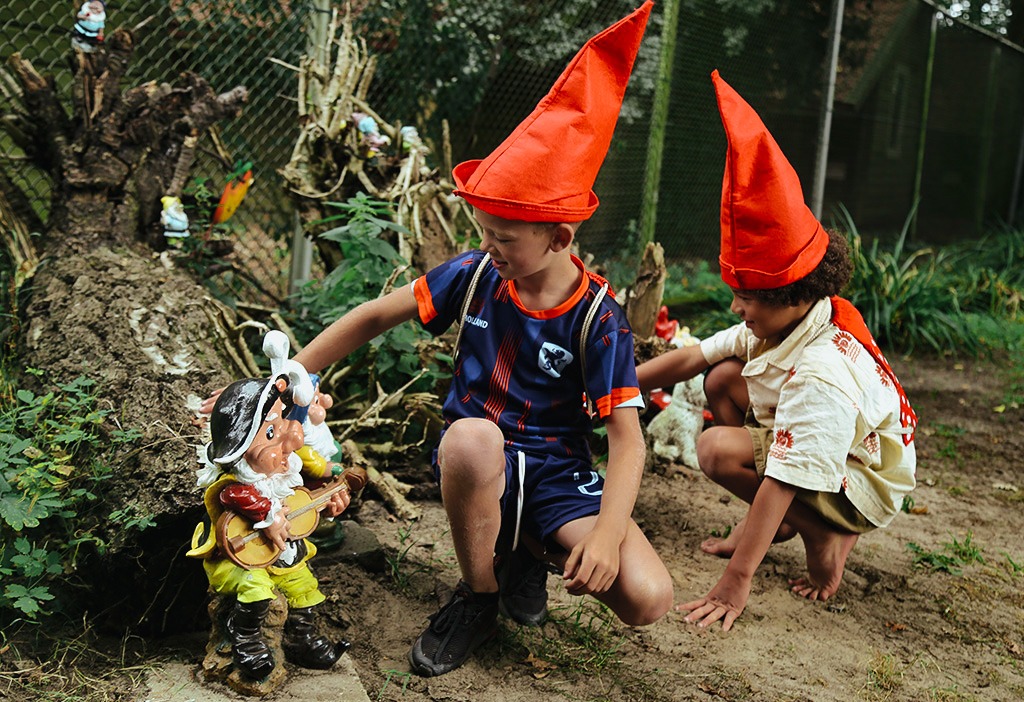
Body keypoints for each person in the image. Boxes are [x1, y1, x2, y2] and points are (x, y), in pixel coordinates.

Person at [286, 0, 672, 677]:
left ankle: (527, 549)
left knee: (648, 598)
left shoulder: (597, 318)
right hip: (482, 453)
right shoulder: (476, 274)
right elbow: (375, 315)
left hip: (555, 472)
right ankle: (481, 592)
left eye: (505, 237)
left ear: (559, 237)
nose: (488, 246)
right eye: (484, 230)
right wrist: (293, 375)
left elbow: (627, 440)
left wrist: (609, 536)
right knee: (470, 437)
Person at [635, 71, 917, 632]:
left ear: (794, 295)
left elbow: (787, 474)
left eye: (749, 300)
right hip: (834, 441)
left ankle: (824, 536)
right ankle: (790, 524)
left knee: (715, 449)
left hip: (862, 478)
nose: (738, 310)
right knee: (720, 380)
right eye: (736, 295)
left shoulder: (822, 372)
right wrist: (618, 386)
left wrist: (736, 582)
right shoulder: (783, 323)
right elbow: (695, 357)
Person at [188, 333, 362, 680]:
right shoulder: (236, 478)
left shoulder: (285, 466)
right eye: (270, 432)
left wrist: (328, 502)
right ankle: (246, 641)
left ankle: (302, 638)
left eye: (282, 421)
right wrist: (267, 516)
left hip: (282, 552)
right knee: (255, 588)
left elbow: (302, 501)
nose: (287, 436)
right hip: (238, 554)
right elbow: (233, 497)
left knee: (304, 585)